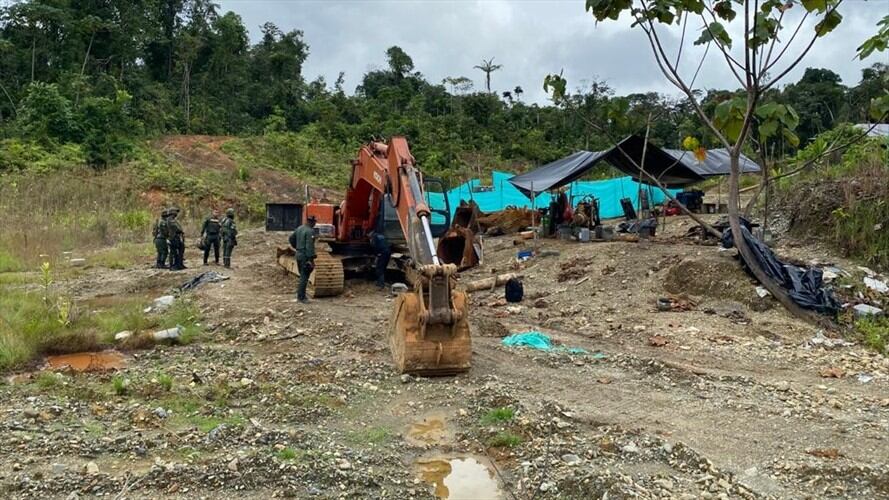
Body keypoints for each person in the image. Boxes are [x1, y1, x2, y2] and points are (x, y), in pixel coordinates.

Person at [291, 215, 317, 303]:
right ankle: (301, 297)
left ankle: (300, 295)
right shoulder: (310, 231)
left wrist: (297, 247)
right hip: (305, 256)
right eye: (314, 222)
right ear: (311, 222)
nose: (315, 224)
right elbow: (309, 246)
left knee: (302, 276)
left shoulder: (299, 228)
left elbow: (291, 239)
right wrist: (311, 259)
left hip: (298, 254)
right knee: (304, 277)